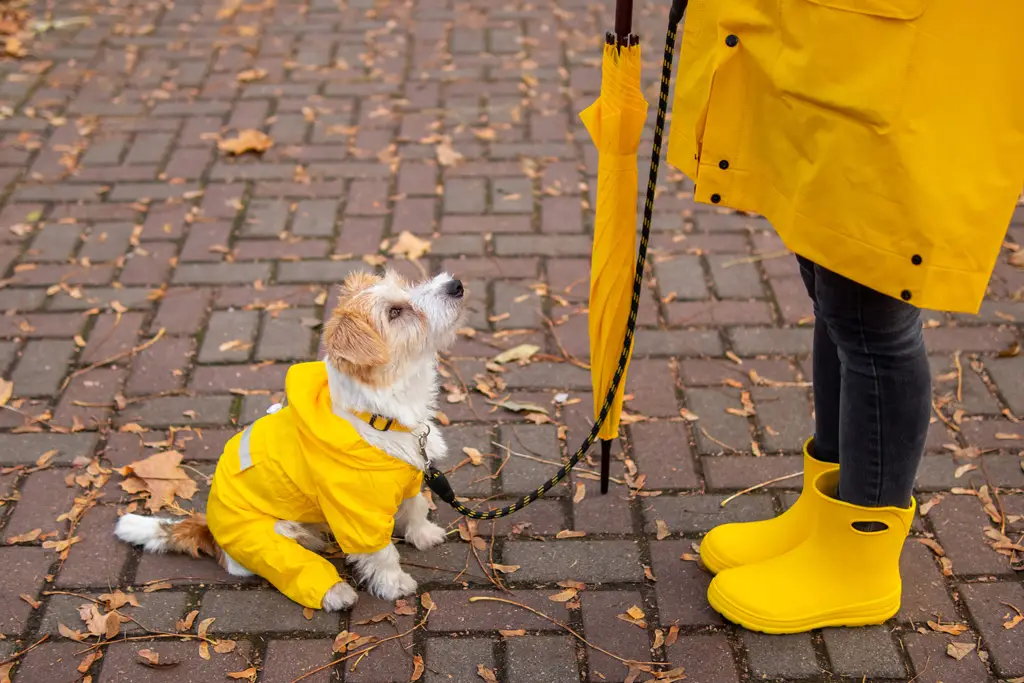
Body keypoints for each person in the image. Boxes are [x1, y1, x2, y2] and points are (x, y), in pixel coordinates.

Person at [664, 0, 1024, 633]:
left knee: (868, 314)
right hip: (840, 48)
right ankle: (825, 512)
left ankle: (860, 557)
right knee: (832, 287)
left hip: (903, 66)